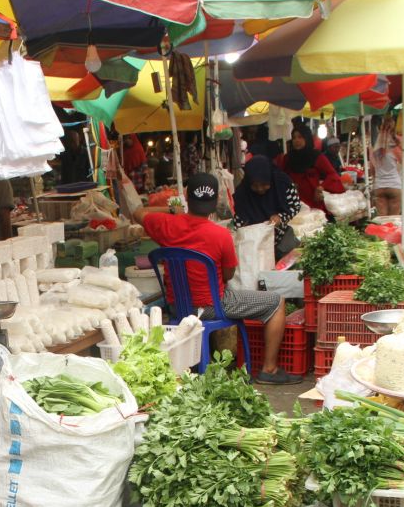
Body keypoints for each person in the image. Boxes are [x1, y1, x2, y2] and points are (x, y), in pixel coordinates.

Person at [132, 172, 301, 385]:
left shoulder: (166, 225)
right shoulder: (220, 235)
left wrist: (172, 210)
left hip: (177, 306)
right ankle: (269, 369)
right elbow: (229, 275)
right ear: (214, 205)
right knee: (276, 302)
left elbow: (137, 212)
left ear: (186, 195)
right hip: (212, 306)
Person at [233, 155, 302, 259]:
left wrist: (280, 217)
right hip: (254, 248)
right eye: (255, 186)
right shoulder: (242, 194)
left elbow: (295, 206)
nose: (260, 189)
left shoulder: (283, 183)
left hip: (281, 242)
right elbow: (238, 223)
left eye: (264, 184)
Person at [274, 124, 344, 211]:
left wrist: (321, 187)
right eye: (294, 138)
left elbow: (332, 174)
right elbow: (281, 177)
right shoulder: (288, 158)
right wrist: (289, 185)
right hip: (293, 200)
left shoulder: (316, 156)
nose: (296, 140)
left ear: (307, 138)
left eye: (300, 137)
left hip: (313, 200)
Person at [369, 114, 404, 217]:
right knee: (393, 219)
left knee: (382, 219)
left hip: (379, 186)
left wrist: (376, 180)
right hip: (394, 185)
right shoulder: (395, 146)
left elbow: (372, 169)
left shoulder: (375, 148)